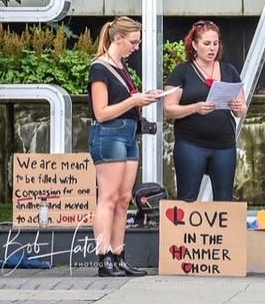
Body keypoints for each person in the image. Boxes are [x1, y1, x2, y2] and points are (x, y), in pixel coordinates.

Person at [88, 16, 161, 277]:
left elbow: (124, 101)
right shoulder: (100, 67)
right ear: (117, 39)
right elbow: (101, 112)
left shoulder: (119, 66)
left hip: (128, 133)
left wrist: (142, 99)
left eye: (138, 42)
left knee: (122, 199)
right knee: (107, 198)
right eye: (133, 41)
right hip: (109, 134)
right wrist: (134, 101)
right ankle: (103, 256)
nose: (136, 47)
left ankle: (119, 254)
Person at [164, 20, 246, 201]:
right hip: (191, 143)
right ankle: (185, 230)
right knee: (188, 197)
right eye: (206, 44)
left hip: (224, 144)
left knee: (225, 199)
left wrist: (238, 107)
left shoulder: (229, 70)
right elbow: (169, 109)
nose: (212, 49)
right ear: (194, 45)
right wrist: (195, 108)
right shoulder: (182, 71)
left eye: (215, 43)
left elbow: (242, 109)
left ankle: (222, 230)